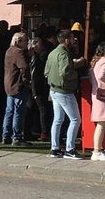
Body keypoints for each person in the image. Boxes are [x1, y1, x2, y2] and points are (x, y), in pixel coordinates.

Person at [44, 29, 84, 159]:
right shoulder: (64, 54)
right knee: (75, 119)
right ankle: (70, 149)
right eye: (72, 38)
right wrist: (76, 71)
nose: (74, 41)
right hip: (64, 90)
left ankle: (55, 148)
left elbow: (46, 72)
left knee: (58, 119)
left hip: (53, 89)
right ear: (66, 40)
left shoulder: (52, 53)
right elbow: (65, 72)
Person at [2, 32, 30, 146]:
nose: (27, 43)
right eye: (25, 41)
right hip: (18, 85)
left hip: (9, 84)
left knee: (9, 111)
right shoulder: (19, 52)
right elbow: (24, 67)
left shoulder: (9, 50)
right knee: (18, 111)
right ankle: (17, 137)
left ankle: (5, 135)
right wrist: (26, 81)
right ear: (18, 41)